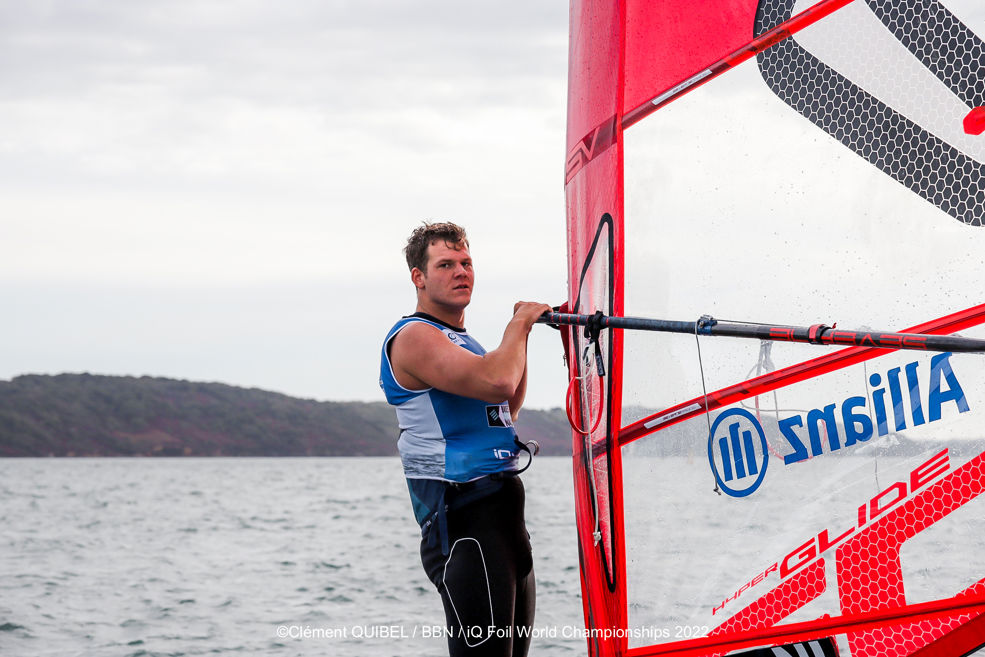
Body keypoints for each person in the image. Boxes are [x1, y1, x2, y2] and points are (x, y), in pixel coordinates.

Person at [379, 221, 550, 657]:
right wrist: (518, 323)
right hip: (465, 524)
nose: (461, 272)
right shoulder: (414, 336)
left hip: (505, 521)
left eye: (466, 262)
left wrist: (522, 335)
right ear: (418, 277)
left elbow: (503, 407)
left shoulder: (465, 343)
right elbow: (497, 380)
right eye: (446, 264)